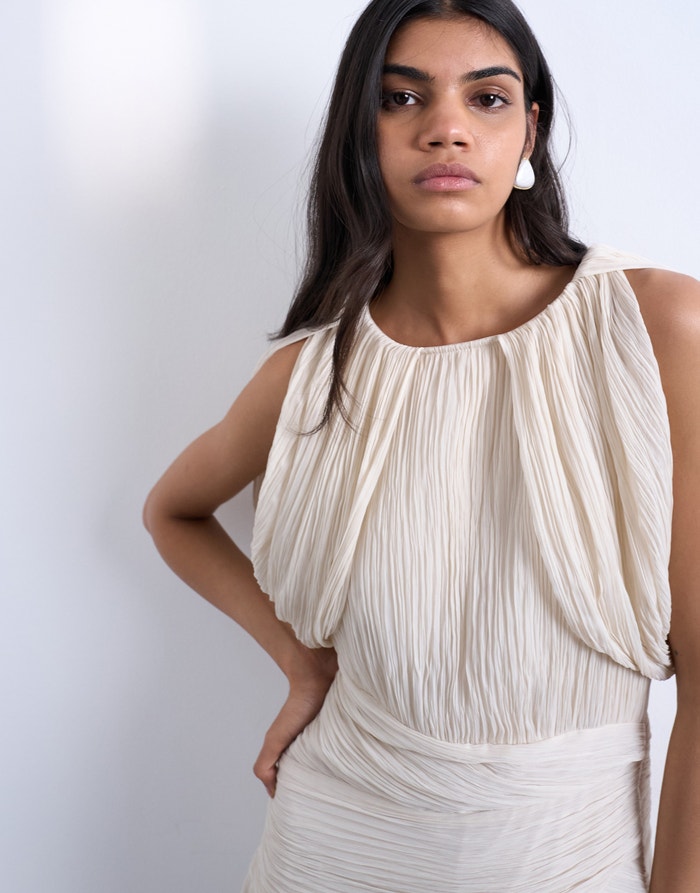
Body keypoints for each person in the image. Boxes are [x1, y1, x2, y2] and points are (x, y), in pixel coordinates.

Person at [143, 0, 700, 889]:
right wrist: (301, 661)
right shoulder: (312, 374)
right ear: (359, 135)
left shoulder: (655, 327)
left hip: (570, 859)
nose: (446, 128)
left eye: (486, 98)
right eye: (401, 98)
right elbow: (172, 511)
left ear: (530, 131)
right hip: (331, 848)